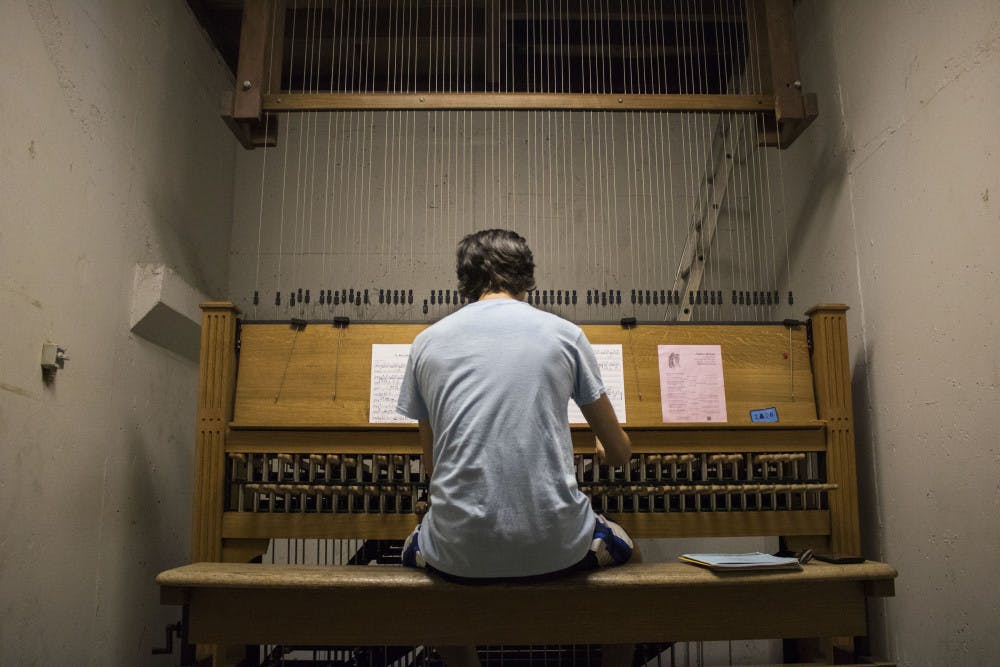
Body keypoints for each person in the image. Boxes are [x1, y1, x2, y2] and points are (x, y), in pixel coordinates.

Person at [396, 229, 638, 667]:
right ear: (527, 278)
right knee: (634, 555)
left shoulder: (426, 343)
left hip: (457, 555)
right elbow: (620, 454)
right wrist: (607, 449)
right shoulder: (565, 334)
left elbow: (431, 468)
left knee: (418, 556)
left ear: (465, 281)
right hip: (559, 547)